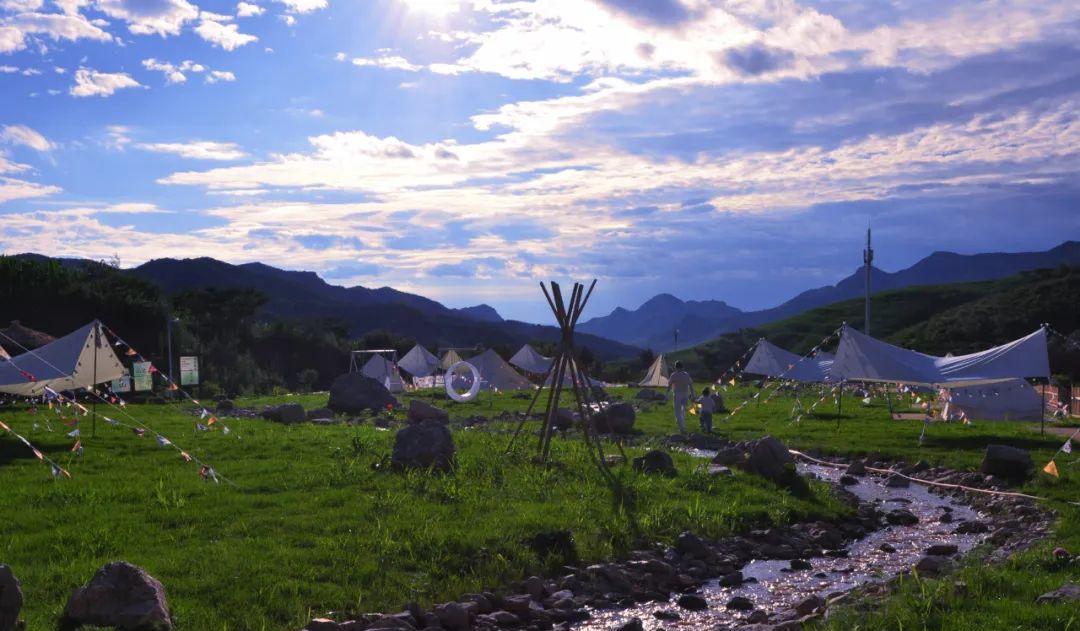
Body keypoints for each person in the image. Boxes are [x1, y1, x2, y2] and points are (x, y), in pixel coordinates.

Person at [668, 360, 693, 434]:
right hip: (685, 393)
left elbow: (669, 385)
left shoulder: (673, 375)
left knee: (677, 411)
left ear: (675, 367)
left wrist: (666, 394)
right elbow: (690, 385)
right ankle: (683, 425)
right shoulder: (686, 374)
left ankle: (681, 427)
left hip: (677, 394)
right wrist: (692, 394)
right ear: (682, 366)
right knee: (683, 410)